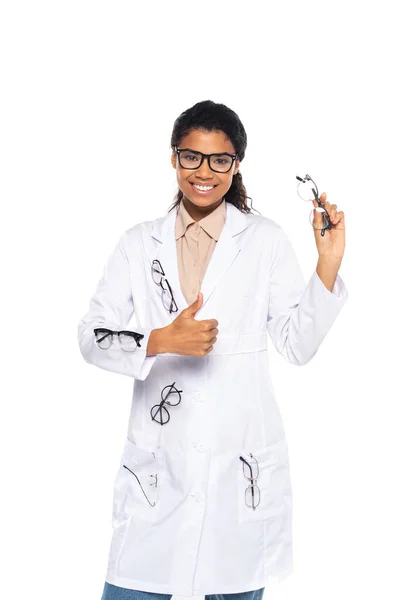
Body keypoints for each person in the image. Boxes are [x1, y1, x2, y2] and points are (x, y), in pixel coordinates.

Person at [77, 100, 348, 600]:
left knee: (234, 576)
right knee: (135, 582)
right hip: (158, 473)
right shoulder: (139, 243)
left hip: (238, 469)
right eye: (191, 157)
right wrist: (160, 341)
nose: (204, 172)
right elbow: (92, 335)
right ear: (173, 159)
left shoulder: (264, 241)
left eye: (219, 159)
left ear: (237, 164)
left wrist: (327, 263)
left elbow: (297, 344)